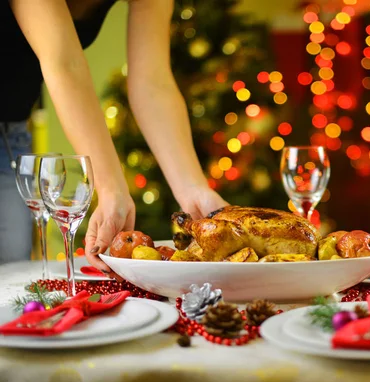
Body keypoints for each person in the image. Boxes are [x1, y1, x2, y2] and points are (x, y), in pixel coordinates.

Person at [0, 0, 228, 275]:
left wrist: (193, 190)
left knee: (10, 273)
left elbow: (152, 82)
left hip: (10, 132)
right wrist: (111, 190)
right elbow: (64, 62)